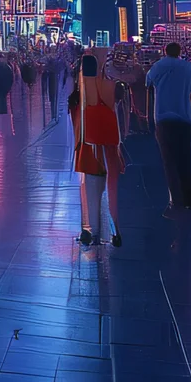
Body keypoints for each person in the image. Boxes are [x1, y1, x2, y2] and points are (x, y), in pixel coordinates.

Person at [69, 52, 125, 247]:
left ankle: (90, 230)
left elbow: (76, 121)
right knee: (111, 190)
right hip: (109, 144)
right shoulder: (110, 86)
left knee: (89, 190)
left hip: (88, 147)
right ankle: (114, 231)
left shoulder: (79, 93)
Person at [146, 40, 191, 214]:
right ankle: (189, 200)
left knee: (169, 161)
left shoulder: (157, 66)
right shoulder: (190, 68)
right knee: (185, 160)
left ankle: (176, 200)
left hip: (164, 118)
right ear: (180, 52)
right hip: (185, 118)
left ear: (165, 51)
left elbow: (148, 83)